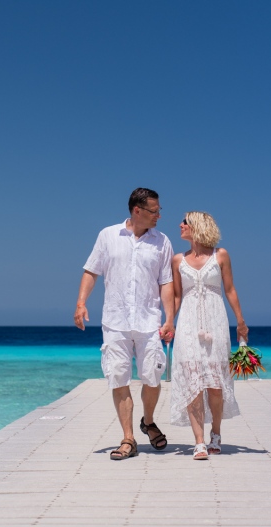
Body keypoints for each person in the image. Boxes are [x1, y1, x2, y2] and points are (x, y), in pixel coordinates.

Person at [74, 188, 175, 460]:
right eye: (154, 211)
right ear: (137, 210)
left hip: (149, 320)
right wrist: (81, 303)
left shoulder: (162, 241)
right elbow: (91, 270)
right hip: (115, 320)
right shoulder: (108, 235)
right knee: (118, 377)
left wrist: (169, 319)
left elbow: (166, 282)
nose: (159, 216)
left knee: (152, 377)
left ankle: (148, 421)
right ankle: (128, 438)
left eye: (159, 210)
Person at [170, 211, 248, 460]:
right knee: (193, 382)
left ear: (198, 227)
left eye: (185, 222)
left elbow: (230, 289)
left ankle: (216, 433)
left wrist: (241, 321)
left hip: (216, 322)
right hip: (188, 324)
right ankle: (199, 442)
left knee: (215, 384)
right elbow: (177, 295)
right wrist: (169, 322)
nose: (180, 225)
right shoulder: (177, 260)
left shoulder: (220, 255)